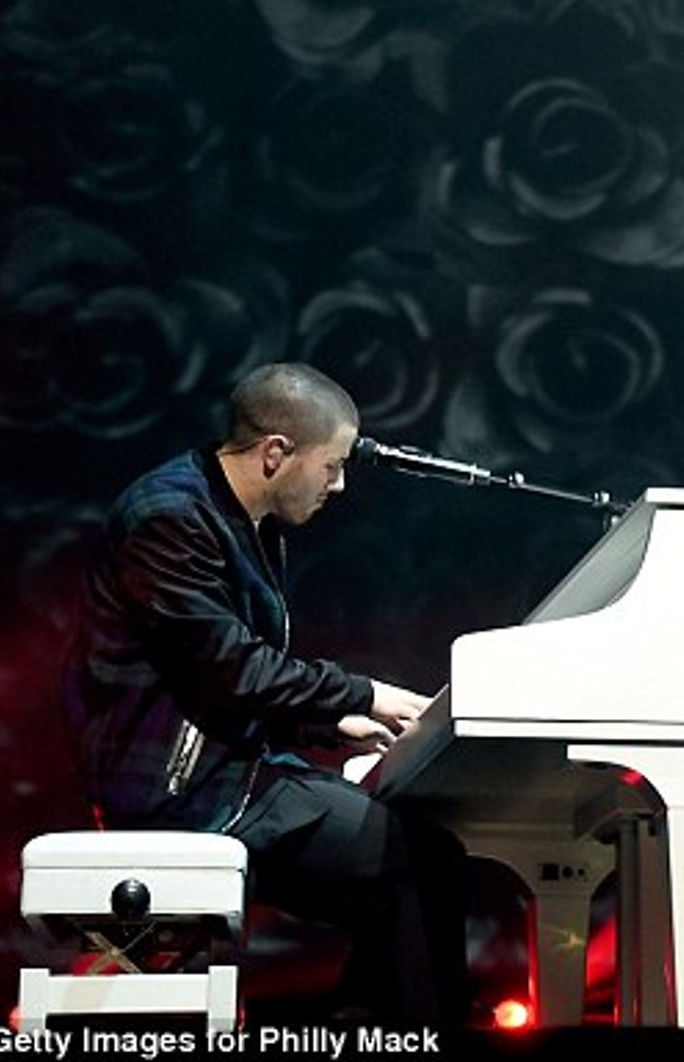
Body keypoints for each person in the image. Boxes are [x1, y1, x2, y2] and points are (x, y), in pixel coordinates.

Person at [60, 361, 472, 1024]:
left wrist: (329, 725)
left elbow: (216, 681)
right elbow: (228, 668)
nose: (339, 485)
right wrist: (360, 695)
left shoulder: (235, 518)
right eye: (332, 465)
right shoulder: (168, 516)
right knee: (418, 862)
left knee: (421, 860)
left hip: (232, 771)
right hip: (183, 790)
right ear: (276, 452)